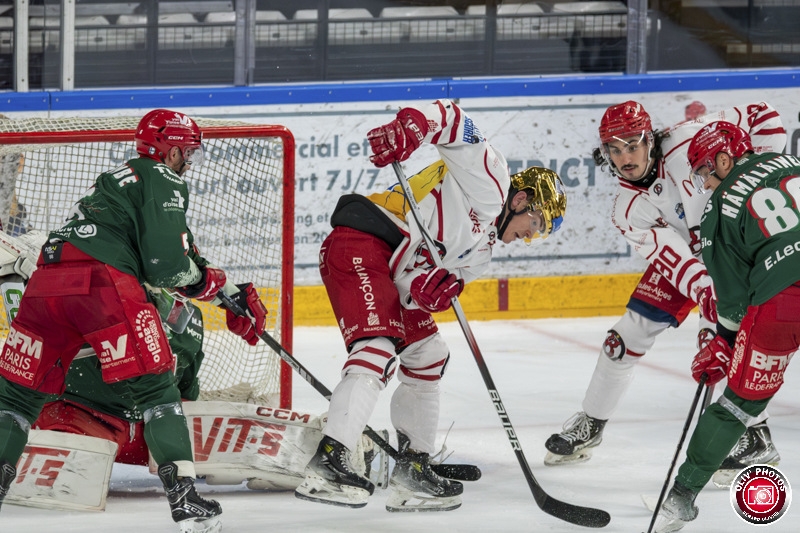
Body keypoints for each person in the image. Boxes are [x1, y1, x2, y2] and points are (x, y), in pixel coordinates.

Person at [0, 109, 267, 533]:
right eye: (187, 152)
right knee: (157, 388)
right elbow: (166, 268)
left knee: (14, 402)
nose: (189, 161)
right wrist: (207, 284)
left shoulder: (115, 182)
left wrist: (228, 293)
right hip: (102, 287)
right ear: (172, 149)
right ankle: (184, 497)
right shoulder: (164, 179)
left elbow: (182, 256)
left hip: (48, 284)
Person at [295, 99, 567, 512]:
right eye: (536, 224)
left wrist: (426, 294)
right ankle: (330, 460)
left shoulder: (482, 256)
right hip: (362, 241)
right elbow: (454, 118)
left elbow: (411, 293)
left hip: (389, 266)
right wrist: (414, 126)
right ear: (521, 200)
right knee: (378, 347)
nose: (530, 236)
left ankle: (412, 468)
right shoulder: (492, 183)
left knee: (429, 352)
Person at [543, 101, 786, 474]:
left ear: (650, 139)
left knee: (718, 342)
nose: (626, 156)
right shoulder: (626, 209)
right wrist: (706, 290)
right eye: (615, 148)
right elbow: (672, 259)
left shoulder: (688, 137)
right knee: (621, 341)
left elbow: (759, 112)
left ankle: (757, 436)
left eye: (633, 144)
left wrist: (764, 170)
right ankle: (591, 423)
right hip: (695, 261)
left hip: (734, 251)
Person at [653, 121, 800, 531]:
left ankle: (681, 497)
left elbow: (733, 300)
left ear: (723, 159)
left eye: (702, 172)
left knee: (738, 404)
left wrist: (724, 342)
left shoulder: (718, 214)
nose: (703, 183)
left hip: (782, 301)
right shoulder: (790, 161)